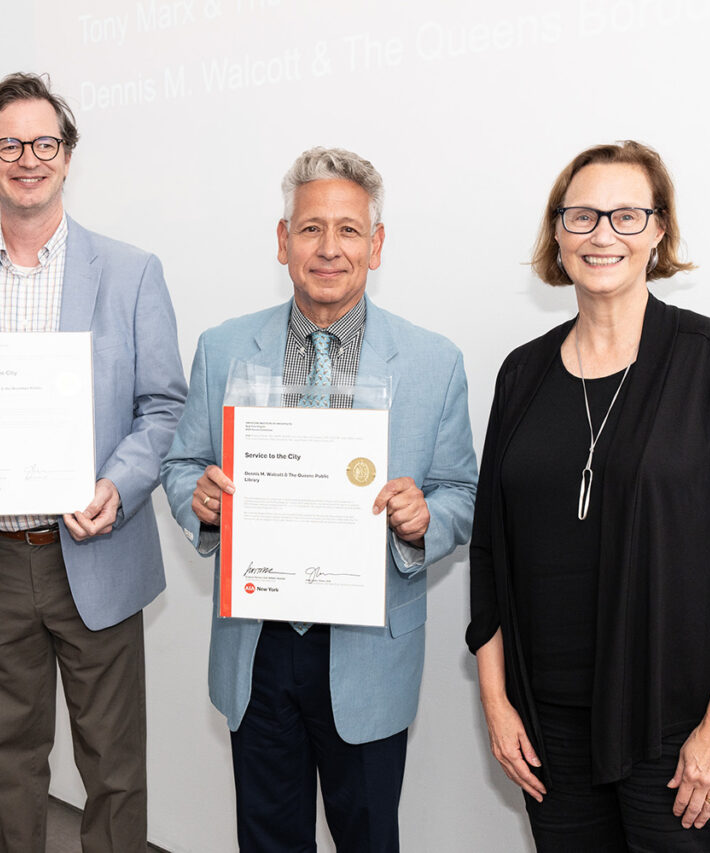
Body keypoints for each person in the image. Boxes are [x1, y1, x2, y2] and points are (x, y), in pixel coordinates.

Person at [467, 140, 710, 851]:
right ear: (557, 233)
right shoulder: (521, 375)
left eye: (626, 215)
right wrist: (495, 700)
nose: (602, 234)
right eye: (582, 216)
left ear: (659, 230)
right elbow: (489, 549)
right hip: (550, 730)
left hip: (681, 725)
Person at [160, 147, 477, 852]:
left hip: (369, 648)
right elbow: (181, 463)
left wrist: (427, 519)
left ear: (377, 244)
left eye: (348, 229)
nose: (329, 248)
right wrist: (200, 500)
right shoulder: (223, 347)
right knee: (268, 838)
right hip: (259, 643)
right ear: (282, 240)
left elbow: (461, 490)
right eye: (310, 229)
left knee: (368, 837)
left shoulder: (433, 361)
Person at [0, 72, 186, 852]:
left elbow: (165, 407)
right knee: (12, 762)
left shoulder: (130, 272)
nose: (27, 158)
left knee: (115, 767)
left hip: (94, 546)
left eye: (44, 143)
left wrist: (117, 486)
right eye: (8, 145)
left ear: (67, 157)